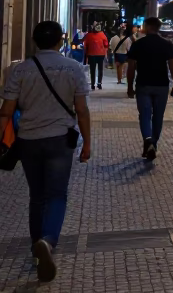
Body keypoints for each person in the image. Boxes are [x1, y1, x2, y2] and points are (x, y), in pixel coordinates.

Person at [0, 21, 91, 283]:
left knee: (37, 196)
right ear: (61, 41)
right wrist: (87, 142)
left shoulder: (21, 69)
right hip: (60, 140)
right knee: (57, 195)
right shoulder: (72, 67)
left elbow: (6, 111)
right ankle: (48, 241)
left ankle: (36, 248)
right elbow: (81, 110)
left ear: (34, 41)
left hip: (28, 140)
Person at [126, 17, 173, 161]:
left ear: (148, 27)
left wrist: (130, 86)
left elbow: (131, 67)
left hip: (143, 84)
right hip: (162, 85)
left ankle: (148, 140)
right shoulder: (167, 44)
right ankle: (153, 144)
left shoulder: (138, 44)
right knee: (158, 116)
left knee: (144, 114)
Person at [82, 24, 108, 90]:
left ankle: (93, 84)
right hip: (100, 54)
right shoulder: (103, 35)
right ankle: (99, 83)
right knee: (100, 69)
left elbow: (85, 45)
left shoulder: (88, 35)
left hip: (91, 55)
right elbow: (106, 44)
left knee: (92, 70)